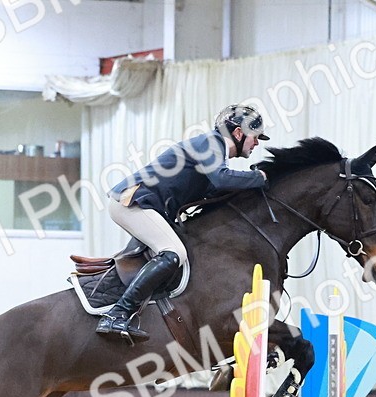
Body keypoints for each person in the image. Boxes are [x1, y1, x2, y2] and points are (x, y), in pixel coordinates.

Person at [97, 104, 271, 342]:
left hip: (144, 205)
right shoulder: (211, 143)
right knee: (174, 252)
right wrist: (259, 177)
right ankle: (117, 314)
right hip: (133, 203)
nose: (257, 143)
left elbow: (213, 192)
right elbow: (221, 181)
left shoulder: (214, 151)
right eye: (255, 137)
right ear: (239, 133)